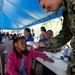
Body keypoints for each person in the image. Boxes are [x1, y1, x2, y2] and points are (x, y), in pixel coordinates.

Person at [31, 0, 75, 75]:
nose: (47, 11)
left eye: (44, 6)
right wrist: (41, 44)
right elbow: (65, 35)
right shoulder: (66, 11)